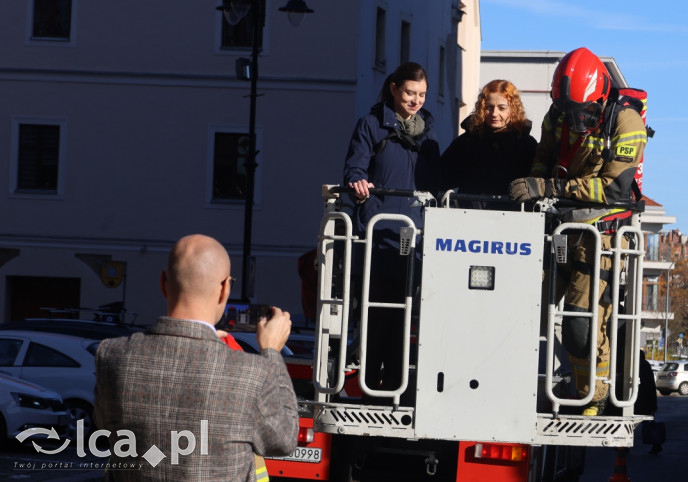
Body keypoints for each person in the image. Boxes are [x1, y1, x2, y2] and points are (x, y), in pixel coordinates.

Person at [509, 47, 648, 416]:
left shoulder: (626, 123)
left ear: (601, 99)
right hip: (555, 230)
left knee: (580, 326)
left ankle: (593, 396)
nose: (577, 121)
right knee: (518, 307)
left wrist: (551, 189)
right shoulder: (558, 115)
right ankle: (508, 384)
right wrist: (534, 183)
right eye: (570, 113)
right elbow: (545, 156)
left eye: (584, 114)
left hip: (598, 237)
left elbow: (614, 189)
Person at [94, 234, 298, 481]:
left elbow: (105, 426)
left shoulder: (112, 356)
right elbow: (284, 440)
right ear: (224, 289)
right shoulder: (252, 372)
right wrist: (272, 353)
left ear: (163, 283)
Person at [343, 62, 441, 392]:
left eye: (422, 95)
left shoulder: (429, 136)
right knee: (376, 316)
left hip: (412, 240)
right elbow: (355, 167)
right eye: (411, 93)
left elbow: (438, 184)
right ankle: (371, 386)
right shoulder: (372, 125)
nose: (416, 101)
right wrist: (358, 182)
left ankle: (396, 389)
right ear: (394, 89)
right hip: (378, 235)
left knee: (404, 318)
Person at [440, 79, 537, 197]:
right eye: (489, 107)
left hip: (512, 213)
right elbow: (442, 179)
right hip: (469, 213)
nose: (494, 113)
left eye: (502, 108)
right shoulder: (466, 142)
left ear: (513, 109)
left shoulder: (526, 145)